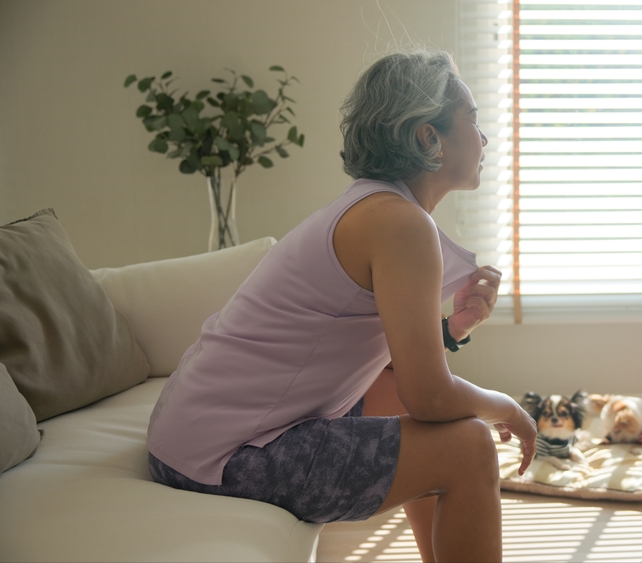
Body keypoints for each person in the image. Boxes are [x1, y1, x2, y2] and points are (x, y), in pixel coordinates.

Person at [145, 49, 537, 563]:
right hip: (221, 455)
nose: (484, 139)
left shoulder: (375, 207)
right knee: (469, 447)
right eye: (474, 119)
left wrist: (451, 329)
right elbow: (430, 397)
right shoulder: (400, 224)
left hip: (185, 437)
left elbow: (396, 370)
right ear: (428, 137)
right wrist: (506, 407)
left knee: (394, 390)